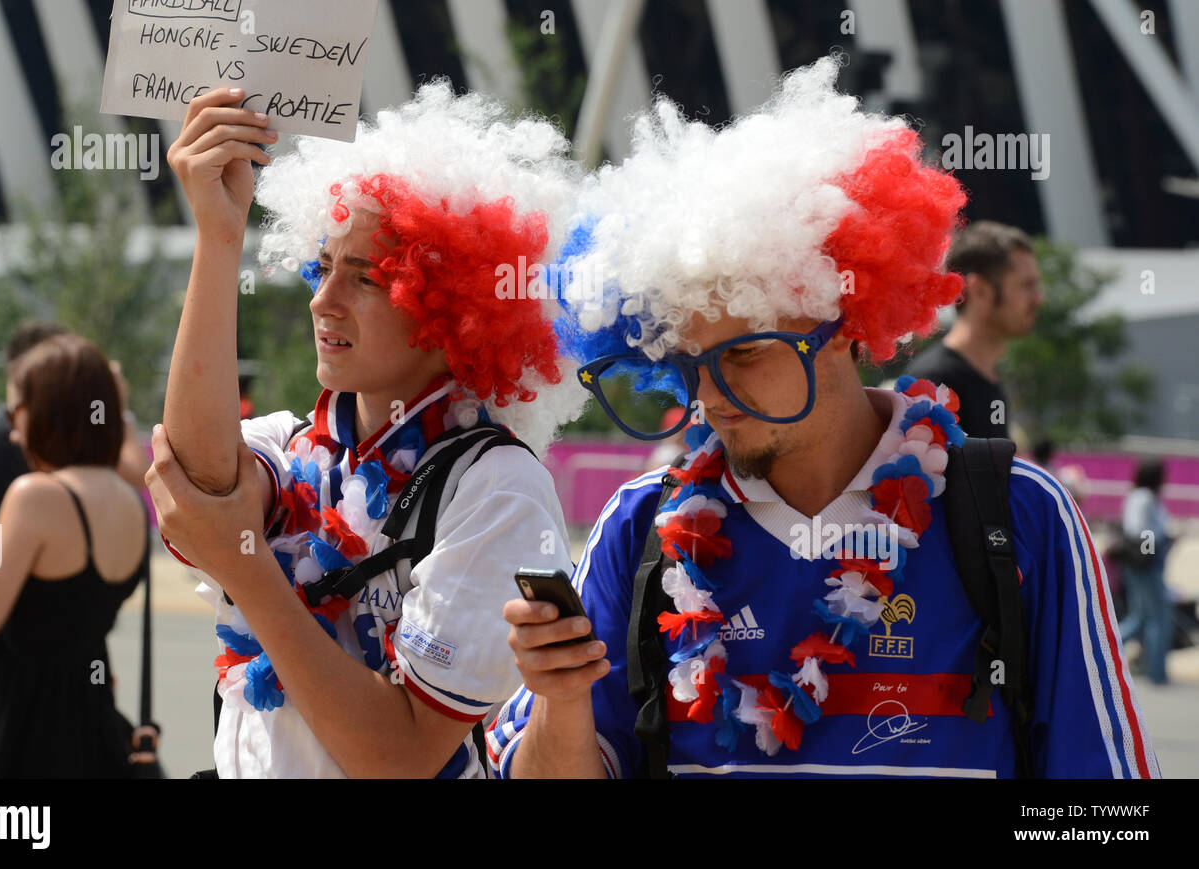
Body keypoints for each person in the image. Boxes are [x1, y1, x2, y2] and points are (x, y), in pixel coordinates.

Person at [491, 58, 1157, 779]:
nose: (708, 397)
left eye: (744, 354)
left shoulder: (1017, 513)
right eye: (687, 362)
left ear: (842, 323)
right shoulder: (639, 527)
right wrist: (559, 699)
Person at [144, 83, 587, 778]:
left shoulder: (498, 488)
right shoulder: (295, 443)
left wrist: (244, 567)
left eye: (367, 278)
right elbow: (194, 482)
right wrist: (218, 235)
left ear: (452, 309)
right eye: (322, 267)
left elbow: (400, 756)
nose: (323, 298)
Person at [0, 334, 146, 778]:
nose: (15, 432)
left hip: (16, 724)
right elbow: (61, 589)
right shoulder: (127, 500)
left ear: (48, 412)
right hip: (88, 719)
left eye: (16, 412)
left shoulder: (36, 494)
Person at [0, 322, 151, 520]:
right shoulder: (16, 431)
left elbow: (138, 473)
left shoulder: (12, 430)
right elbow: (137, 473)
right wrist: (110, 401)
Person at [905, 221, 1043, 439]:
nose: (1039, 299)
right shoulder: (935, 382)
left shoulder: (988, 375)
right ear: (979, 290)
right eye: (1026, 286)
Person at [1116, 459, 1172, 686]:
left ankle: (1102, 650)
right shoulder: (1146, 498)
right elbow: (1139, 529)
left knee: (1139, 617)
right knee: (1160, 616)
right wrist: (1153, 547)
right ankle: (1156, 671)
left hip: (1138, 562)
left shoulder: (1136, 495)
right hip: (1145, 564)